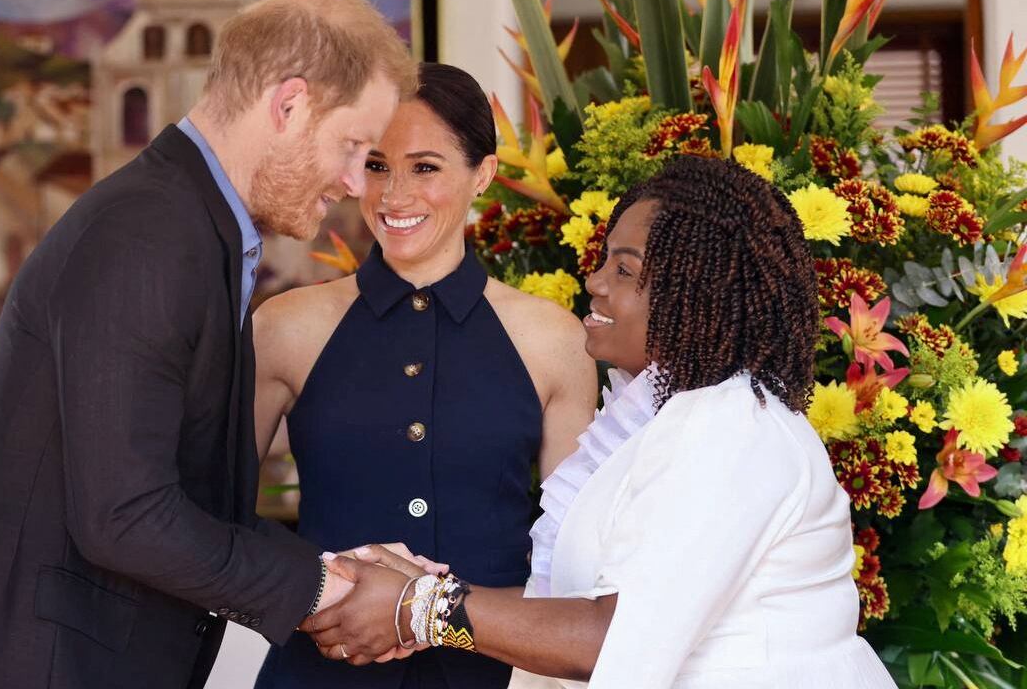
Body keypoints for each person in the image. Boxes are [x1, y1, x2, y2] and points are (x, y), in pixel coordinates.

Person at [0, 0, 419, 689]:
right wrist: (324, 590)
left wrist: (332, 570)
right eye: (352, 146)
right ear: (289, 106)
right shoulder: (149, 235)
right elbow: (125, 517)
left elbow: (174, 496)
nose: (356, 183)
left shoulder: (192, 227)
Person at [304, 156, 899, 688]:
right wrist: (412, 598)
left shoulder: (734, 430)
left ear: (695, 289)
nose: (594, 283)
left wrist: (420, 606)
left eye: (624, 270)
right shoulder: (666, 415)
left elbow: (610, 638)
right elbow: (580, 607)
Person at [250, 63, 598, 688]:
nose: (394, 196)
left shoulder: (553, 340)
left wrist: (435, 616)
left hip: (491, 676)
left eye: (426, 167)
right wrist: (318, 597)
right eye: (377, 165)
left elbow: (572, 563)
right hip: (321, 670)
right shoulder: (285, 328)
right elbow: (211, 518)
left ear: (483, 176)